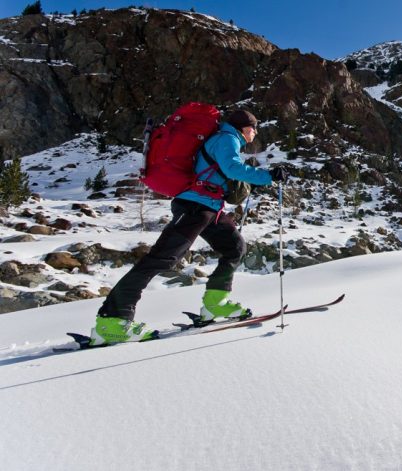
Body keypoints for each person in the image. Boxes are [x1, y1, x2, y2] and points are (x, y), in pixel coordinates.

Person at [90, 109, 291, 345]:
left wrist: (248, 185)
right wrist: (268, 176)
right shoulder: (227, 138)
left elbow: (223, 175)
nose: (255, 132)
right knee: (162, 258)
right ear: (243, 127)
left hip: (210, 209)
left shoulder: (226, 140)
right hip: (194, 207)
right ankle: (112, 321)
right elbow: (232, 169)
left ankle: (216, 304)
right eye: (253, 127)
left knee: (234, 247)